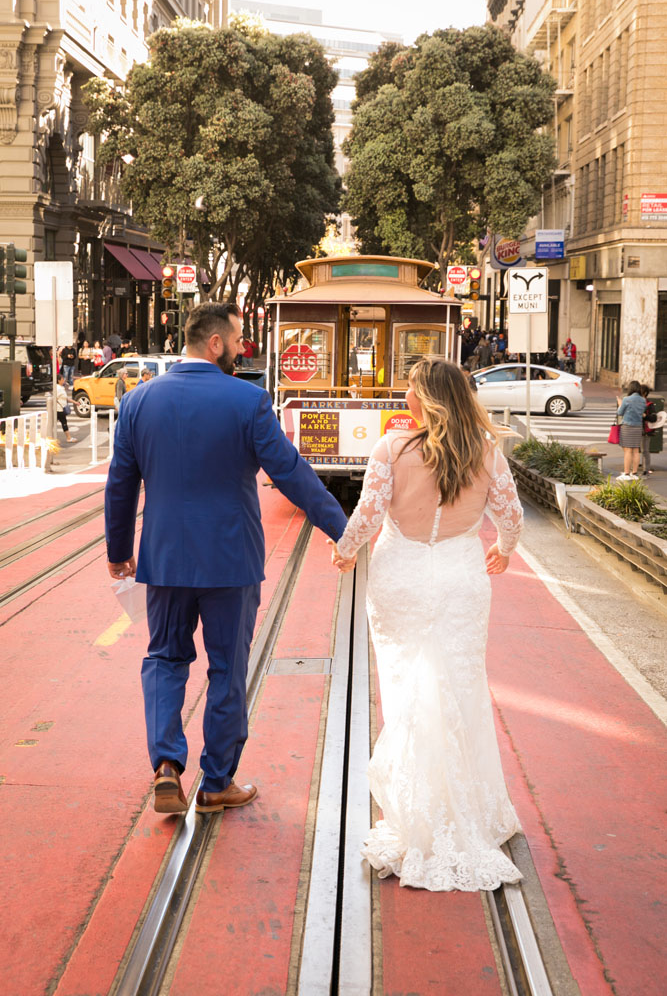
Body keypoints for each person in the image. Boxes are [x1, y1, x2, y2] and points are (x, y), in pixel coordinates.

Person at [104, 301, 348, 816]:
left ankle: (167, 765)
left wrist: (118, 553)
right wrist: (342, 530)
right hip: (230, 561)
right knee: (227, 668)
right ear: (215, 343)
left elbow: (120, 485)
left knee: (164, 659)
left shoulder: (139, 402)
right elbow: (291, 472)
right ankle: (216, 782)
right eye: (237, 339)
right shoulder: (249, 401)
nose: (242, 349)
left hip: (164, 560)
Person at [330, 356, 524, 891]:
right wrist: (504, 551)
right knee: (458, 687)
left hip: (401, 578)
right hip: (461, 578)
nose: (405, 398)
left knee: (407, 688)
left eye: (411, 390)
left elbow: (369, 514)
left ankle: (416, 809)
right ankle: (468, 809)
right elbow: (511, 517)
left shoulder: (392, 448)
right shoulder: (486, 452)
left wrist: (346, 552)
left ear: (429, 399)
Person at [616, 380, 646, 481]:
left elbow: (620, 413)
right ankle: (634, 473)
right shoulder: (643, 400)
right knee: (636, 450)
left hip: (627, 426)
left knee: (628, 451)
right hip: (638, 427)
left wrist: (620, 403)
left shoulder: (626, 399)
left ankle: (626, 473)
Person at [640, 384, 657, 476]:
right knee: (633, 450)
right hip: (636, 429)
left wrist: (645, 416)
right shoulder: (636, 403)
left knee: (645, 450)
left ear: (645, 393)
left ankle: (646, 469)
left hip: (645, 431)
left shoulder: (649, 405)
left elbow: (654, 418)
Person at [55, 374, 75, 443]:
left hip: (60, 408)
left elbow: (66, 398)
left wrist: (75, 402)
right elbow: (55, 398)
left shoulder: (61, 387)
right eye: (62, 379)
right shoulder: (57, 388)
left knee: (61, 423)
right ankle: (68, 438)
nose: (63, 380)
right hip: (59, 409)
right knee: (63, 422)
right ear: (58, 380)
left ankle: (68, 437)